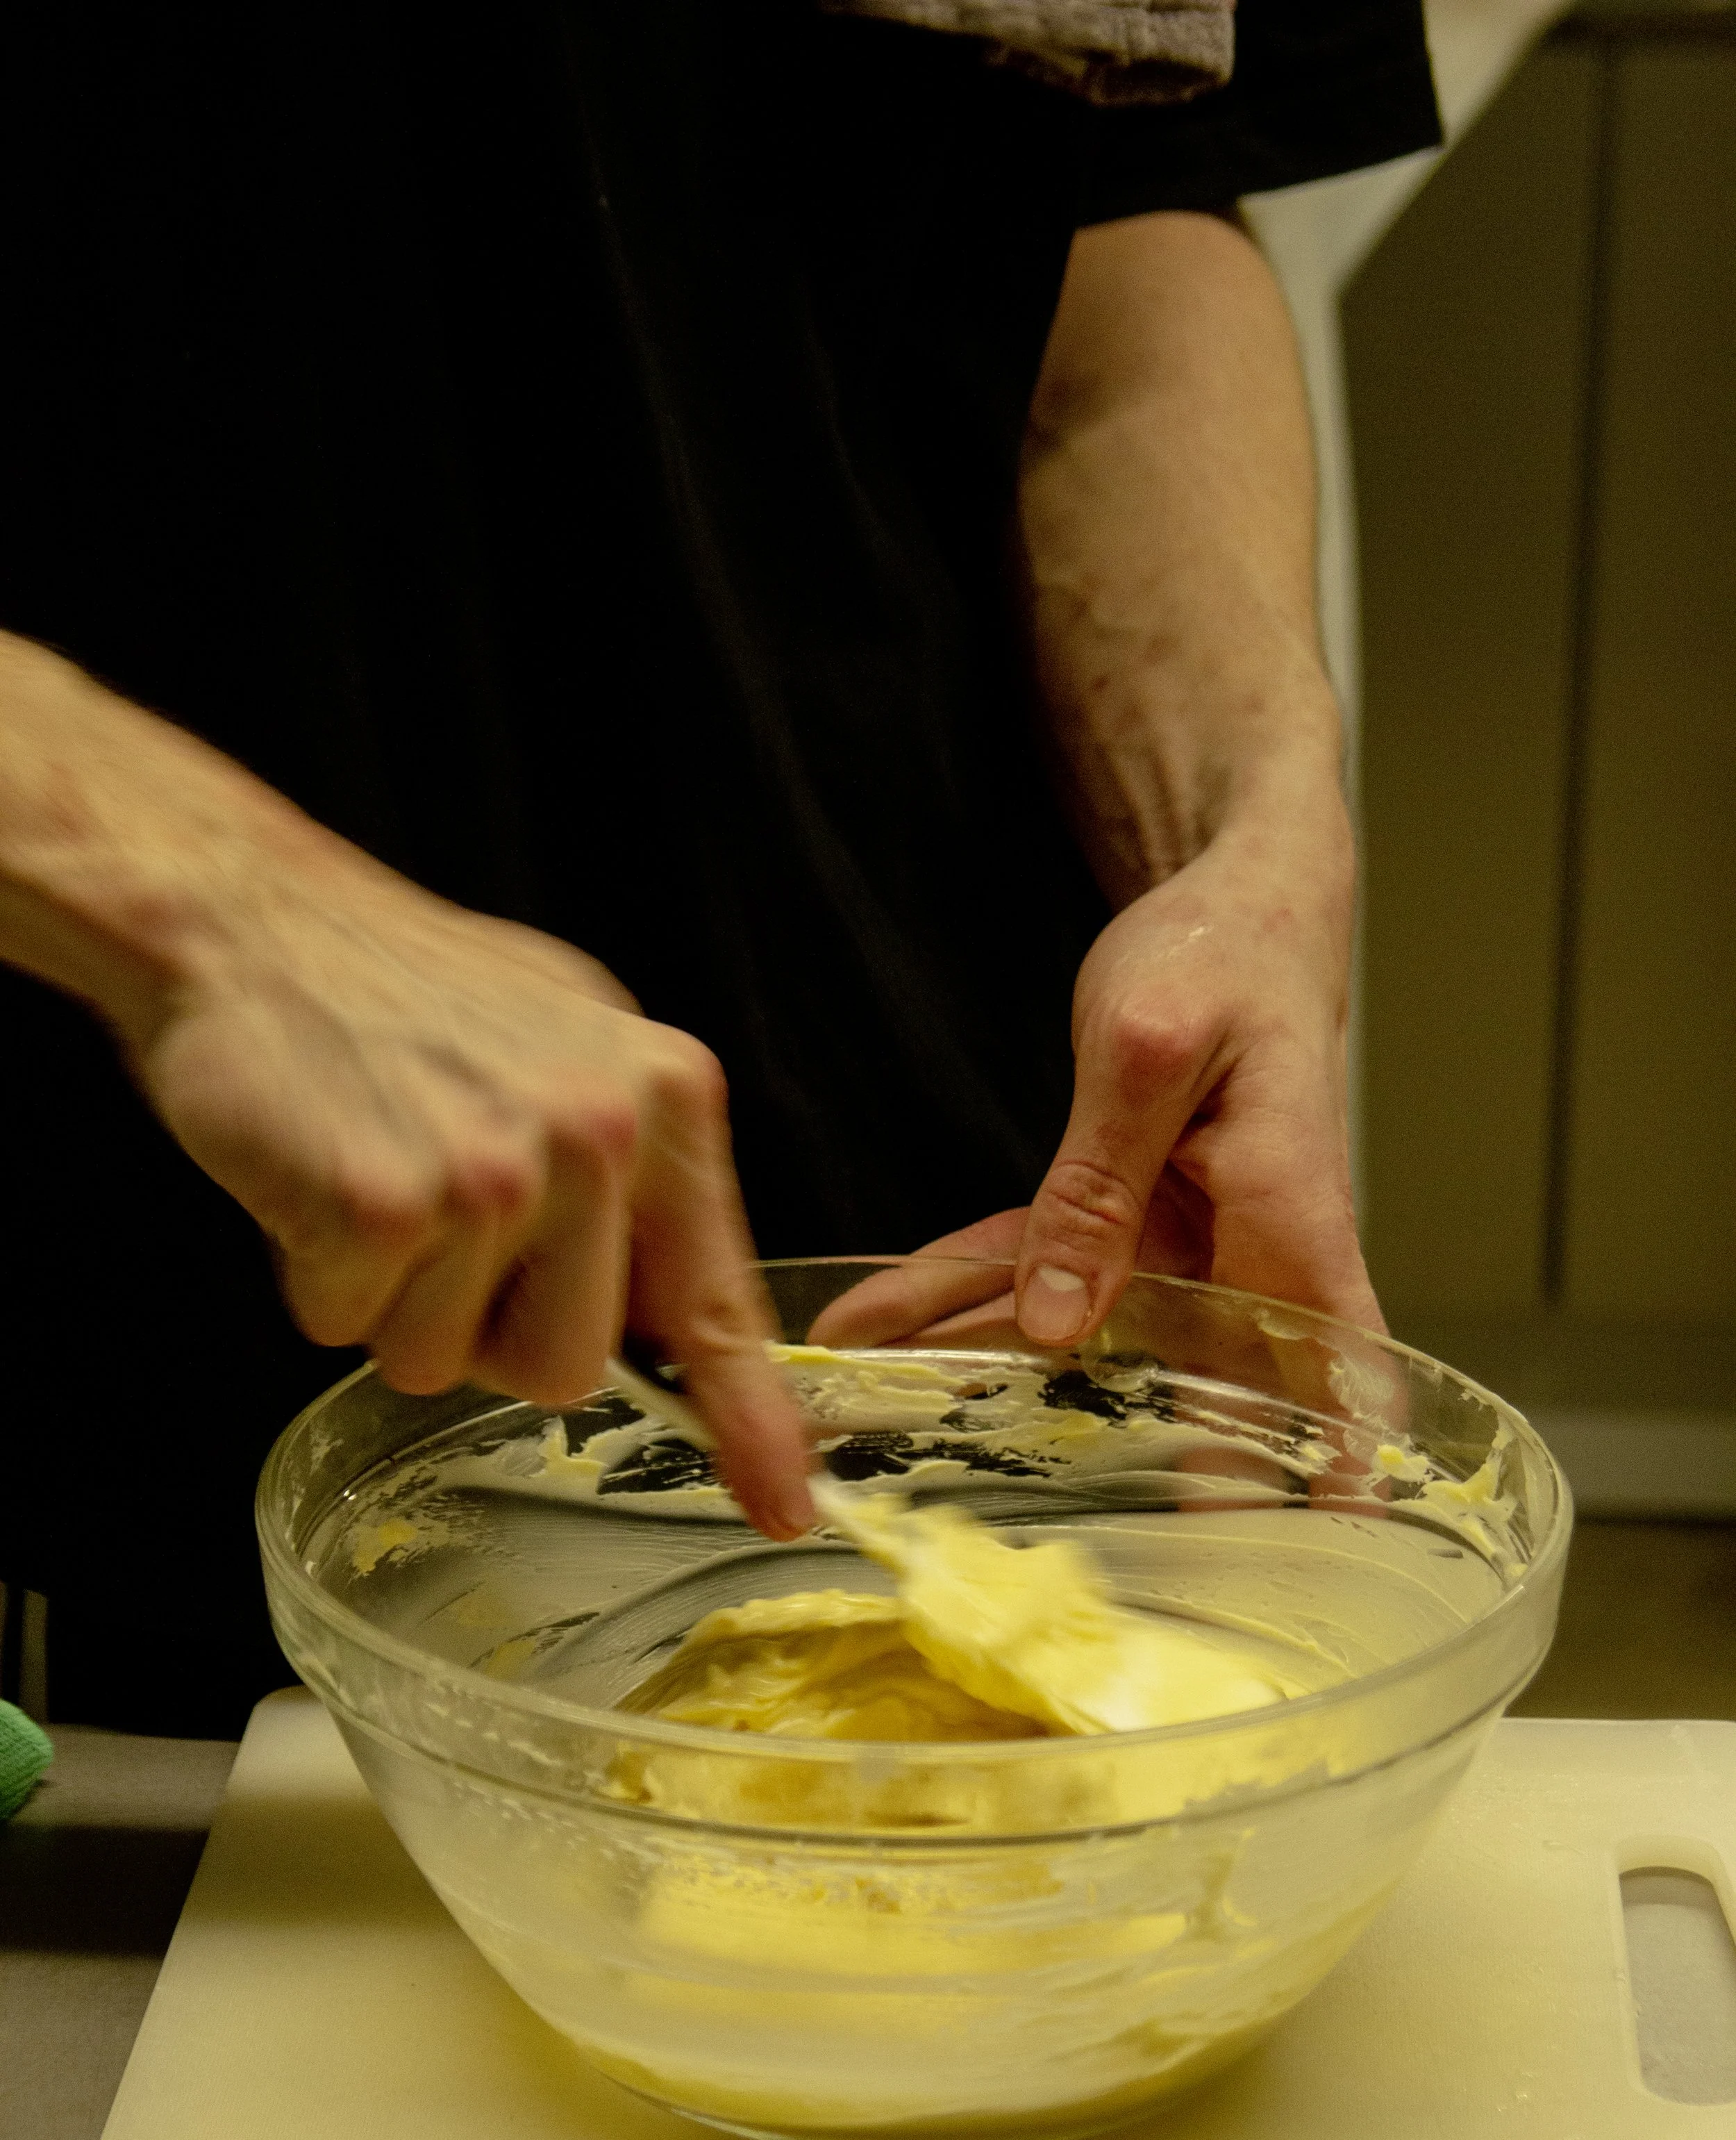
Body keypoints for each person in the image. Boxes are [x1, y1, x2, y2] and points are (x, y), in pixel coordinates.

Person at [0, 1, 1438, 1734]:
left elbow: (1121, 220)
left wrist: (1249, 829)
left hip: (956, 1252)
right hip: (136, 1272)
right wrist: (198, 894)